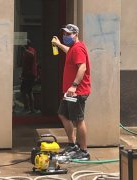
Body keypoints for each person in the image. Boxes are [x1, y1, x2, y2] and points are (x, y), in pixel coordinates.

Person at [52, 24, 91, 160]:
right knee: (63, 114)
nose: (65, 36)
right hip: (69, 92)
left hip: (77, 91)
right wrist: (58, 44)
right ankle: (72, 144)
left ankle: (84, 151)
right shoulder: (74, 48)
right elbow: (69, 51)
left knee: (78, 120)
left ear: (76, 34)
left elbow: (82, 68)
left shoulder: (79, 48)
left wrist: (74, 86)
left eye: (69, 34)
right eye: (64, 34)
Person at [20, 39, 37, 113]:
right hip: (26, 74)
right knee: (27, 92)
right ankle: (30, 109)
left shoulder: (31, 50)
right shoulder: (25, 51)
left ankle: (28, 108)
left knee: (26, 91)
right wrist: (22, 75)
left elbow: (32, 55)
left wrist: (25, 50)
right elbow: (24, 65)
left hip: (30, 74)